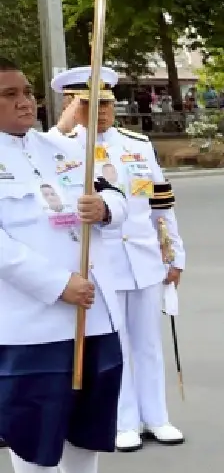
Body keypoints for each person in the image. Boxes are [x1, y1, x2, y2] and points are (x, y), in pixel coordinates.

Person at [0, 61, 154, 473]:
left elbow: (121, 196)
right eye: (9, 94)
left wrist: (105, 211)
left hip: (93, 310)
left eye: (26, 91)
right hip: (32, 321)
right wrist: (55, 284)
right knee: (35, 424)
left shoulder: (59, 150)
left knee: (86, 417)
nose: (25, 101)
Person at [49, 68, 187, 452]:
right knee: (115, 345)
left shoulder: (137, 144)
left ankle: (156, 416)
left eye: (107, 104)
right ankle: (124, 420)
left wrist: (174, 254)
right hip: (100, 262)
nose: (102, 112)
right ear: (72, 105)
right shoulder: (61, 147)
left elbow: (161, 205)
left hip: (143, 257)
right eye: (91, 104)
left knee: (148, 342)